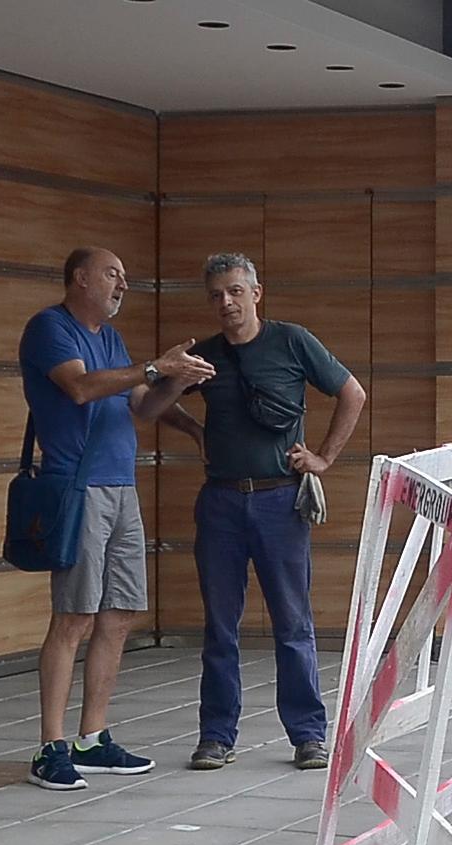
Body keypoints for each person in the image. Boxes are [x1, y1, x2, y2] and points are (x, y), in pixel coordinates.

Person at [19, 247, 214, 791]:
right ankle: (50, 747)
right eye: (112, 274)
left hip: (121, 488)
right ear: (79, 278)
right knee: (74, 618)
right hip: (78, 488)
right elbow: (80, 388)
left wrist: (179, 388)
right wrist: (156, 367)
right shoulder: (49, 329)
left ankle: (92, 739)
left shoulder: (110, 338)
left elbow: (142, 405)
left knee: (120, 614)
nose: (122, 283)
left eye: (125, 276)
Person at [166, 253, 368, 771]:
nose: (226, 303)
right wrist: (190, 422)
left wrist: (322, 458)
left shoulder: (292, 340)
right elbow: (146, 403)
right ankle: (216, 735)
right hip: (221, 500)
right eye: (216, 295)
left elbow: (352, 393)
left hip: (281, 499)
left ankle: (308, 735)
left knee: (293, 622)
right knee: (220, 625)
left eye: (235, 291)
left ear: (257, 293)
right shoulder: (204, 355)